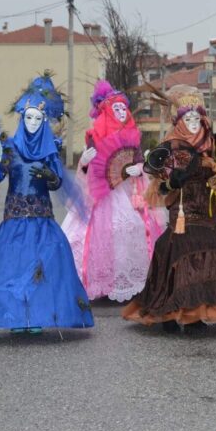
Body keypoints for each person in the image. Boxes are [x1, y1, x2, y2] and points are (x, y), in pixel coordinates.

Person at [122, 87, 216, 332]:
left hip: (206, 210)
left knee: (213, 250)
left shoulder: (213, 147)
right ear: (179, 121)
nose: (194, 123)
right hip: (182, 211)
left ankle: (196, 313)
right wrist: (173, 182)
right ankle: (171, 312)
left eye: (197, 118)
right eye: (188, 118)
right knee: (177, 250)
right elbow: (159, 188)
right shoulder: (170, 147)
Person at [0, 76, 94, 333]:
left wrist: (50, 176)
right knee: (13, 266)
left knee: (42, 267)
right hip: (14, 221)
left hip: (42, 220)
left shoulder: (50, 150)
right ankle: (15, 318)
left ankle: (37, 317)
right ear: (22, 118)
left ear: (44, 121)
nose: (33, 123)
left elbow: (57, 183)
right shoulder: (10, 149)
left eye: (38, 119)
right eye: (29, 118)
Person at [61, 81, 165, 301]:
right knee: (102, 233)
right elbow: (89, 172)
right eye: (116, 108)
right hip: (100, 196)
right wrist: (85, 162)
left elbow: (139, 163)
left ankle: (124, 281)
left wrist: (139, 169)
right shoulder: (95, 136)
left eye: (123, 107)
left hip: (128, 193)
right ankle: (99, 281)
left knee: (132, 227)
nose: (121, 112)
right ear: (107, 111)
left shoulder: (133, 136)